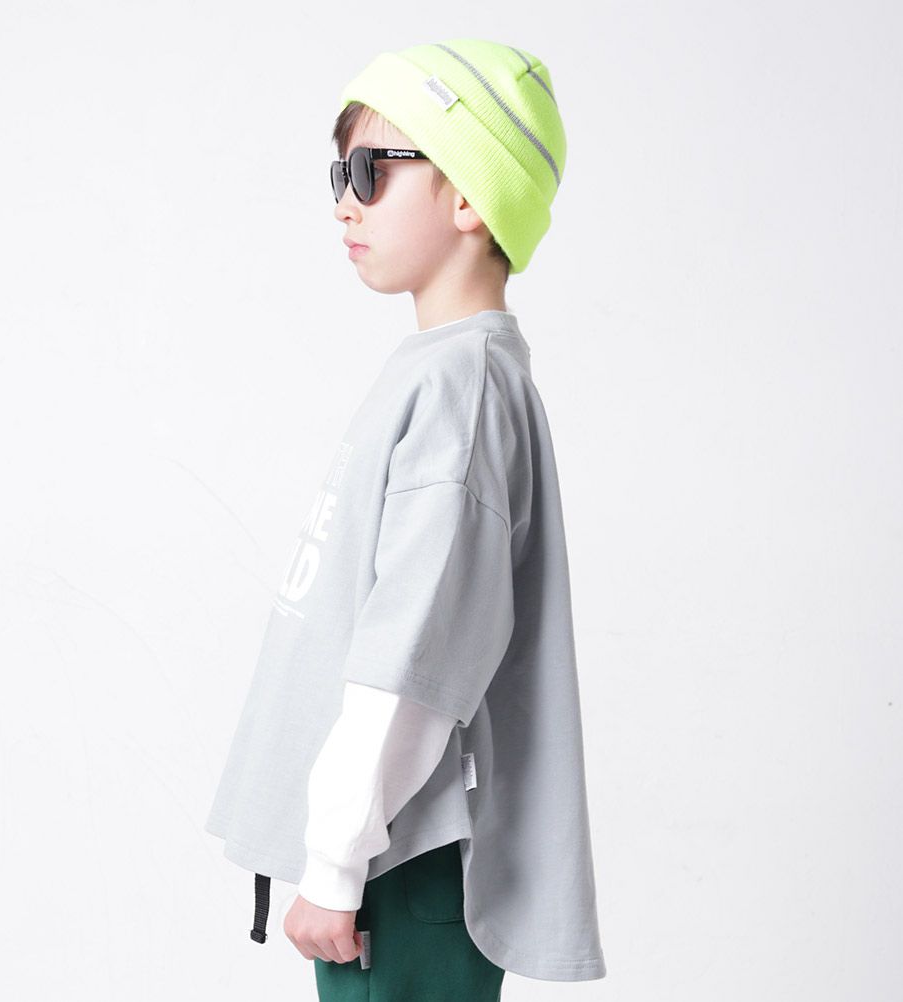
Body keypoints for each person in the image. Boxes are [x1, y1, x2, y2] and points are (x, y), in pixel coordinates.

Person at [205, 37, 607, 1000]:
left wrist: (335, 865)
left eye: (369, 172)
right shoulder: (444, 373)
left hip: (404, 862)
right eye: (337, 175)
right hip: (389, 850)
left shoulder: (462, 389)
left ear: (468, 196)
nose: (343, 201)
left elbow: (414, 661)